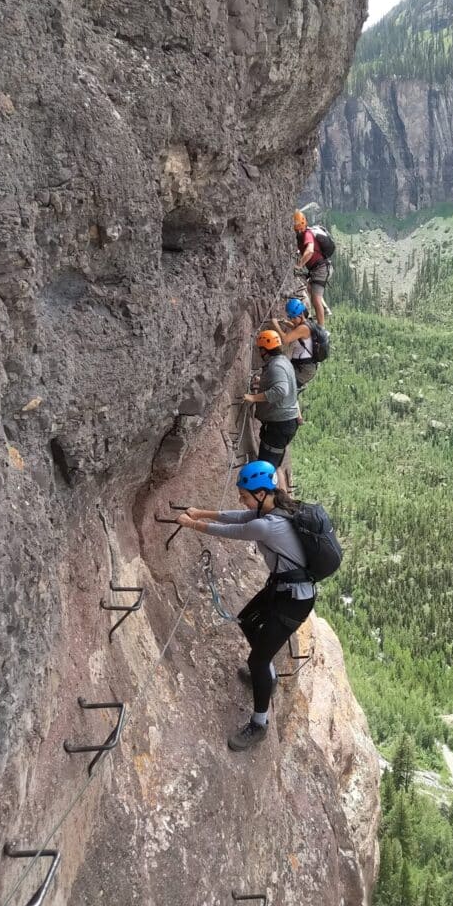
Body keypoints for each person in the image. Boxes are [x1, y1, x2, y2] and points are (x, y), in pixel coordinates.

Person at [177, 461, 315, 750]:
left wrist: (193, 524)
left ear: (262, 493)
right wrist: (200, 511)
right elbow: (241, 516)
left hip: (294, 601)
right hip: (283, 589)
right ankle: (269, 674)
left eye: (245, 494)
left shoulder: (269, 526)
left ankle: (259, 723)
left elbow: (236, 530)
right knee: (247, 619)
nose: (242, 499)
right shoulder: (275, 507)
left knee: (257, 660)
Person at [244, 328, 297, 485]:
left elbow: (281, 390)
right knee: (274, 466)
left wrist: (253, 397)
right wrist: (263, 382)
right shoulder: (282, 361)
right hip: (282, 424)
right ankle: (279, 501)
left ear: (264, 350)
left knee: (266, 469)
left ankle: (271, 502)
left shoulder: (277, 366)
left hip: (279, 426)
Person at [293, 209, 330, 327]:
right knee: (310, 287)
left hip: (320, 268)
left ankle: (321, 328)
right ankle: (324, 309)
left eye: (299, 226)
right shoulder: (301, 235)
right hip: (317, 268)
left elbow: (309, 251)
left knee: (315, 298)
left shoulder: (307, 234)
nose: (298, 229)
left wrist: (299, 265)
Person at [277, 297, 317, 393]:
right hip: (302, 366)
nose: (292, 320)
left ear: (301, 314)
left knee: (283, 386)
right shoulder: (307, 323)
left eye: (293, 317)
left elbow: (285, 339)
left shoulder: (303, 328)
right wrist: (287, 323)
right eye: (290, 317)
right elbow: (297, 330)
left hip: (304, 370)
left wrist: (275, 325)